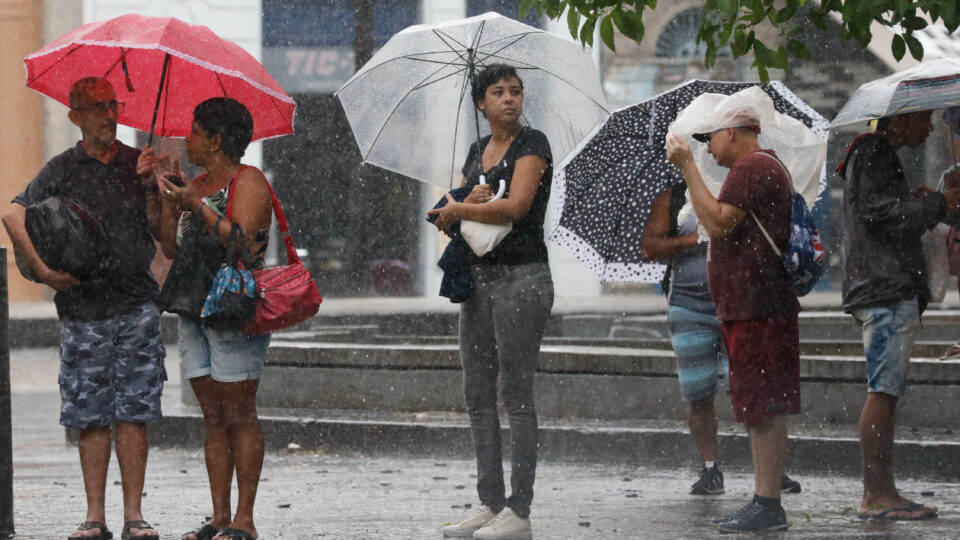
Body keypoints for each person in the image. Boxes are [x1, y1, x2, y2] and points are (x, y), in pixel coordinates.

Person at [1, 77, 164, 540]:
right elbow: (13, 214)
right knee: (90, 415)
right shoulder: (61, 168)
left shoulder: (138, 164)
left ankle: (135, 516)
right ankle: (95, 516)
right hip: (84, 311)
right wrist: (44, 272)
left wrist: (153, 188)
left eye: (113, 105)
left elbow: (159, 231)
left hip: (136, 304)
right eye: (96, 107)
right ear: (75, 116)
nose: (109, 115)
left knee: (135, 411)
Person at [428, 64, 554, 540]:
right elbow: (464, 213)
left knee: (516, 394)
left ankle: (518, 510)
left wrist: (463, 208)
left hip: (523, 278)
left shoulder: (532, 143)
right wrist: (463, 201)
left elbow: (518, 205)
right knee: (477, 395)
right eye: (498, 92)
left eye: (516, 91)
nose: (509, 99)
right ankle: (490, 501)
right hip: (478, 280)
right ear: (480, 103)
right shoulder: (477, 151)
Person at [665, 117, 800, 532]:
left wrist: (687, 166)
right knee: (757, 407)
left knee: (762, 407)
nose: (707, 150)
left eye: (709, 140)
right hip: (754, 304)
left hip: (757, 305)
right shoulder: (761, 166)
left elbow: (718, 221)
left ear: (730, 131)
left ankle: (768, 503)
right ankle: (765, 501)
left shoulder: (751, 167)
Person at [150, 98, 273, 540]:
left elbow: (240, 242)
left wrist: (196, 206)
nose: (187, 139)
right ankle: (219, 516)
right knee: (214, 416)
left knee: (240, 413)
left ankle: (245, 519)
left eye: (195, 132)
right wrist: (166, 198)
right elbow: (170, 248)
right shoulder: (197, 182)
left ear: (217, 140)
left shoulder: (250, 180)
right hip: (194, 308)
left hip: (233, 310)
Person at [641, 184, 803, 497]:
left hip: (741, 305)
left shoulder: (741, 191)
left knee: (751, 388)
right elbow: (649, 247)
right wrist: (693, 238)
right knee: (697, 393)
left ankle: (771, 472)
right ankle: (710, 468)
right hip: (689, 307)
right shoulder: (674, 196)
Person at [838, 110, 960, 520]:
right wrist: (941, 203)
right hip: (885, 288)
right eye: (923, 119)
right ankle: (877, 495)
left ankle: (883, 491)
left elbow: (889, 212)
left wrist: (921, 202)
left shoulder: (875, 154)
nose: (928, 129)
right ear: (901, 119)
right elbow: (891, 220)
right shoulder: (874, 152)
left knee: (886, 390)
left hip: (884, 286)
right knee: (884, 391)